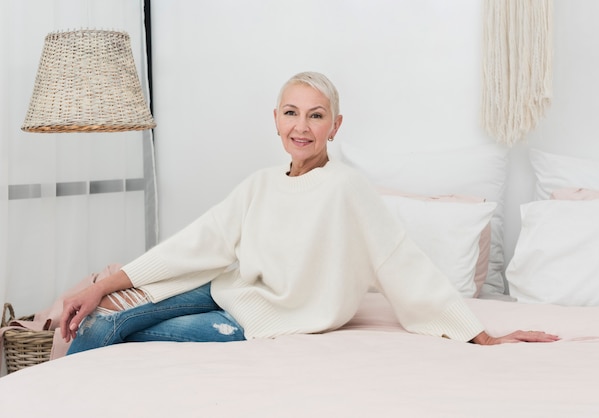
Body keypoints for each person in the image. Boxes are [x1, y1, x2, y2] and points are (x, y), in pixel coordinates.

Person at [60, 71, 559, 352]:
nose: (302, 126)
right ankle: (60, 393)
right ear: (276, 120)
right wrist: (105, 283)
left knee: (114, 329)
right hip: (225, 290)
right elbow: (198, 241)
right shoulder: (260, 184)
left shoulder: (348, 189)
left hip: (260, 321)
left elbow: (402, 263)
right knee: (100, 315)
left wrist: (481, 334)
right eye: (292, 113)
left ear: (335, 126)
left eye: (316, 115)